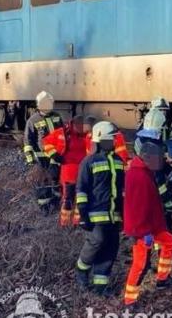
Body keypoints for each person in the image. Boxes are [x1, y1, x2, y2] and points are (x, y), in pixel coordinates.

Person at [122, 142, 172, 309]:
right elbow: (138, 208)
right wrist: (145, 232)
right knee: (141, 264)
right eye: (158, 158)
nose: (161, 161)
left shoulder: (143, 171)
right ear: (147, 158)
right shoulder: (139, 176)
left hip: (152, 225)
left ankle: (163, 279)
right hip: (142, 229)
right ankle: (130, 301)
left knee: (170, 242)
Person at [75, 121, 126, 294]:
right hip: (95, 215)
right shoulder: (88, 162)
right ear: (101, 139)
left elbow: (122, 189)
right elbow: (81, 189)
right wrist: (82, 215)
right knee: (96, 241)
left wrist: (124, 214)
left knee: (111, 249)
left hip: (114, 215)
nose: (114, 142)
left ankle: (100, 286)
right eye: (111, 138)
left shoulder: (118, 161)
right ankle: (81, 270)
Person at [23, 91, 66, 210]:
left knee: (56, 180)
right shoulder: (33, 120)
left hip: (56, 157)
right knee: (43, 183)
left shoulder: (56, 116)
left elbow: (63, 135)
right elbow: (28, 141)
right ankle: (45, 208)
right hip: (41, 158)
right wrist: (31, 160)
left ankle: (57, 204)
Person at [59, 115, 89, 227]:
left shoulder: (87, 135)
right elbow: (47, 143)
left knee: (80, 197)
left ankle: (76, 222)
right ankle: (65, 223)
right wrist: (56, 157)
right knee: (68, 198)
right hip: (69, 171)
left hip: (81, 170)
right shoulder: (65, 133)